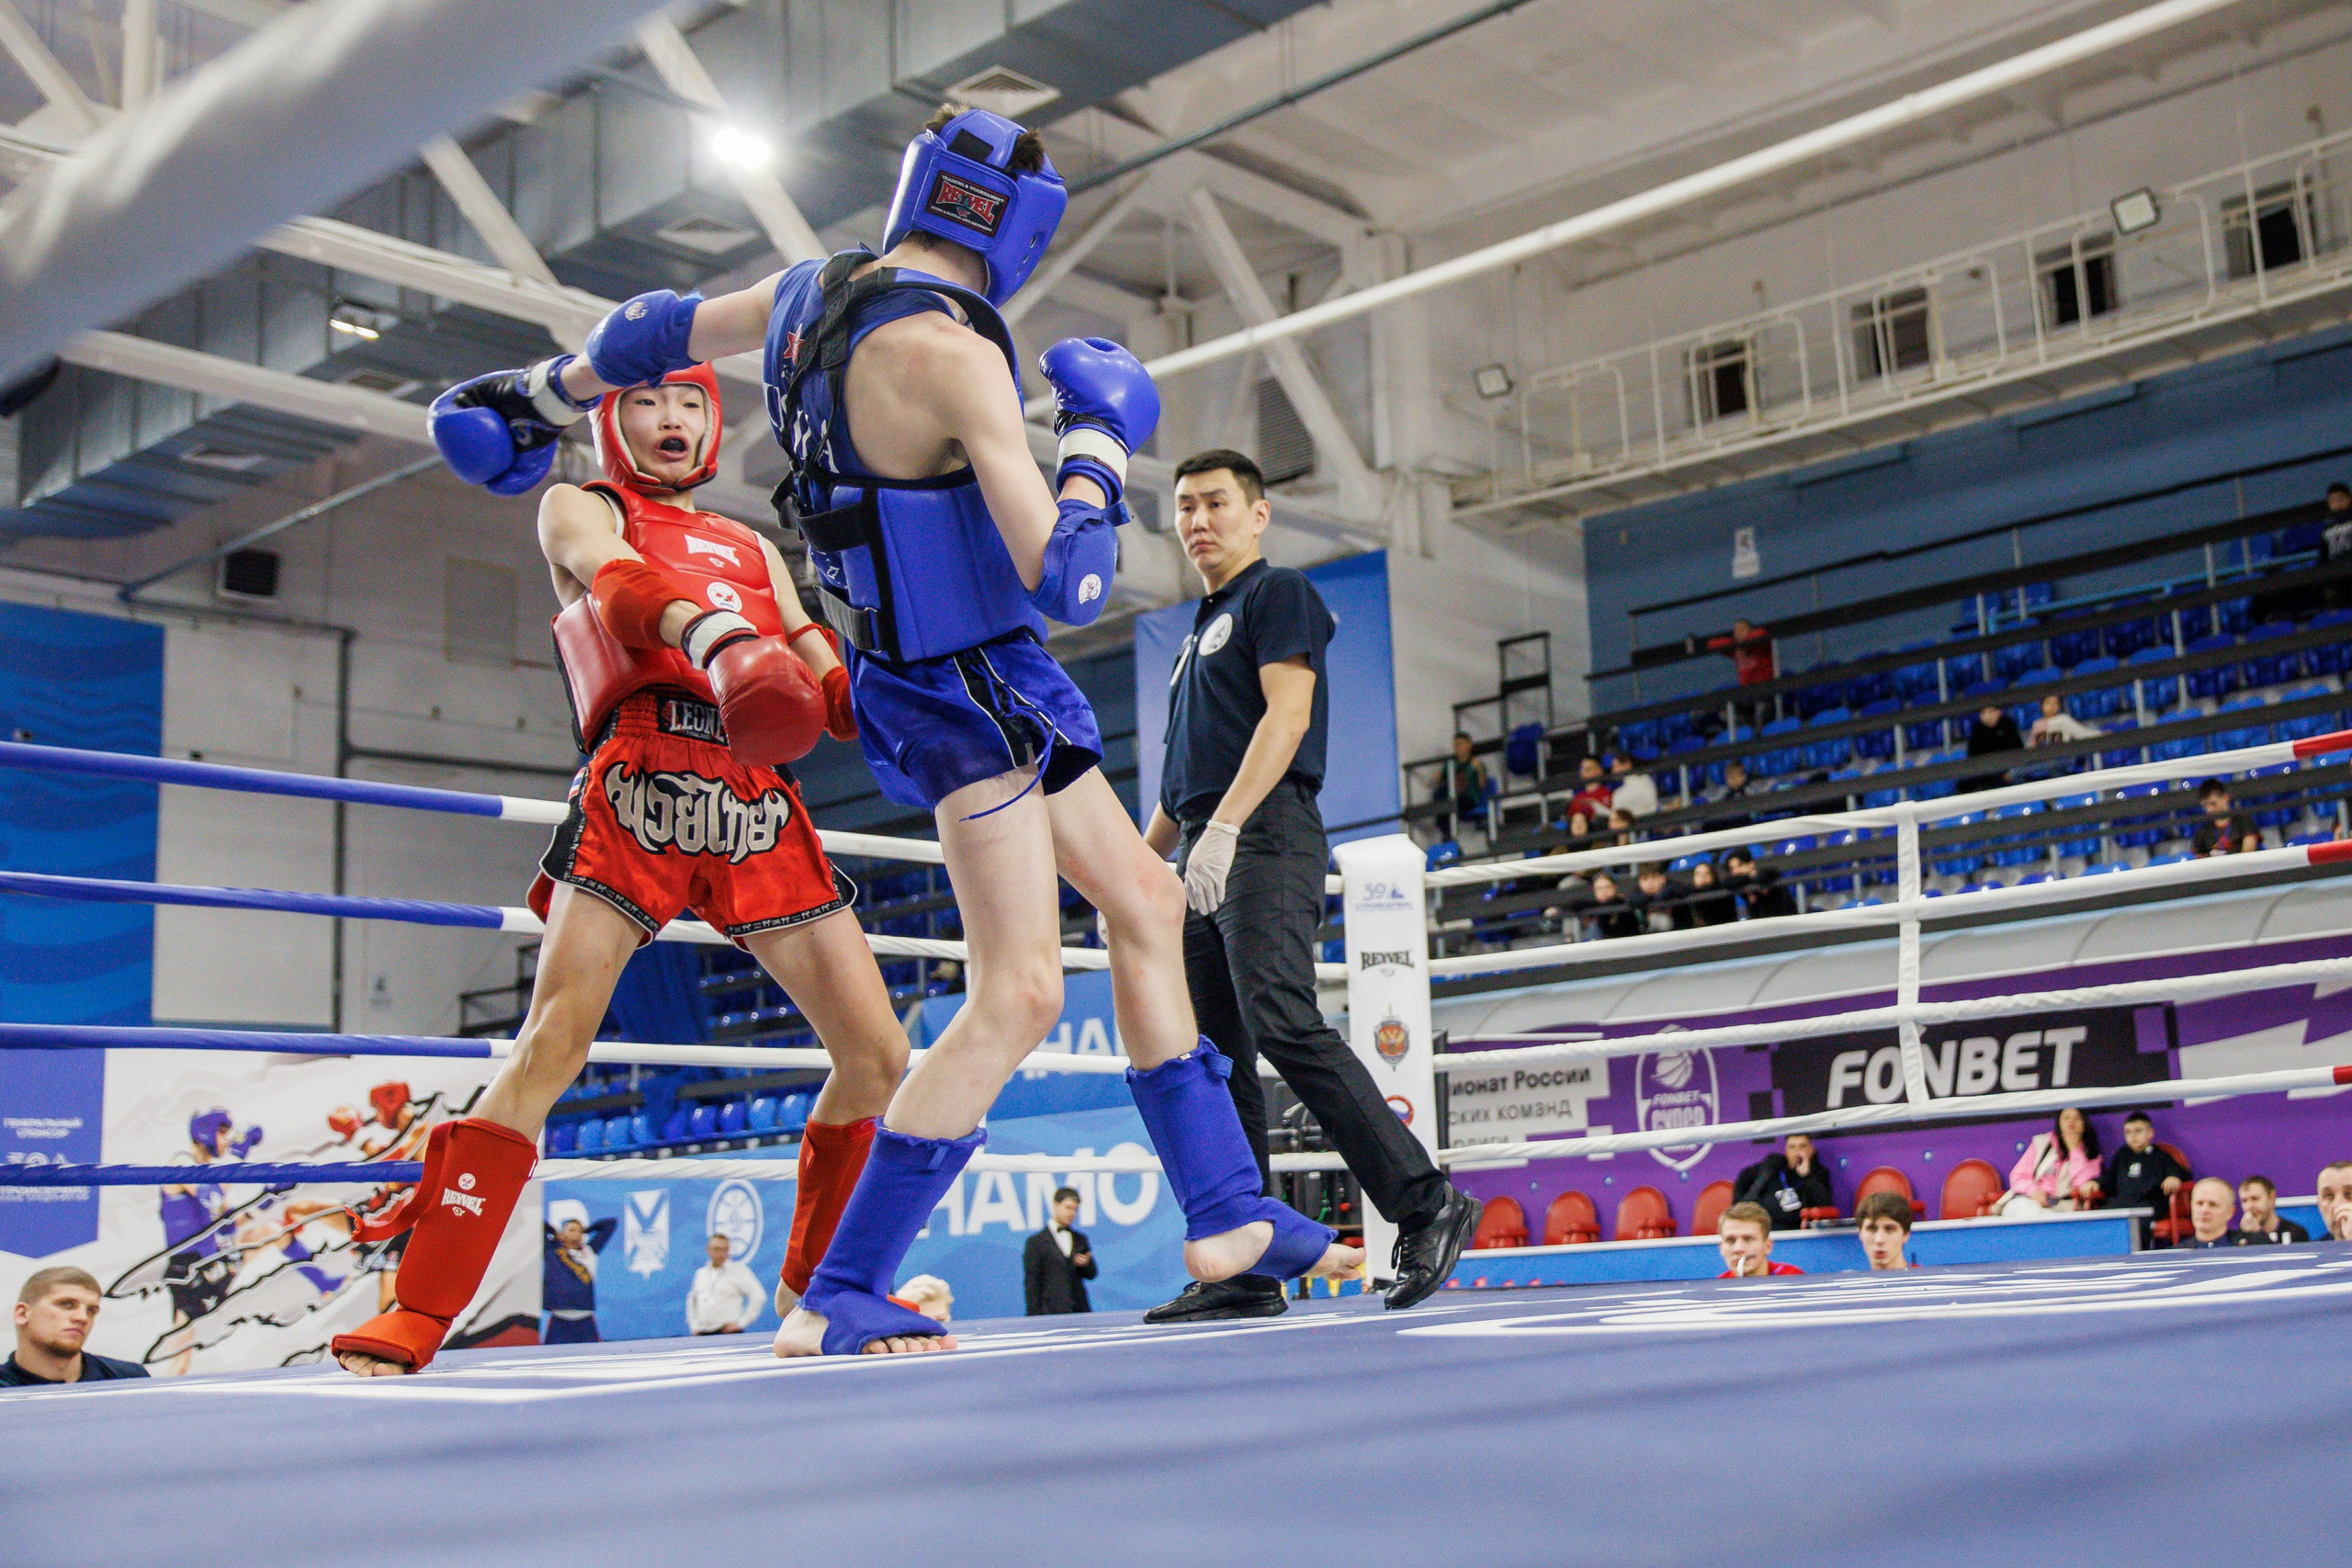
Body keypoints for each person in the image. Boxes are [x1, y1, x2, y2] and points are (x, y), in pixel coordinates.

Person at [432, 104, 1366, 1357]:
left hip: (949, 676)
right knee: (1021, 989)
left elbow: (650, 330)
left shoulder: (805, 294)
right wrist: (1094, 439)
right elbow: (1068, 576)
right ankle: (840, 1285)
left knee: (1144, 900)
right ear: (1019, 231)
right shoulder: (957, 356)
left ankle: (1227, 1218)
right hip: (966, 682)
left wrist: (543, 393)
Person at [339, 341, 916, 1378]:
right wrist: (715, 642)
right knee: (553, 1044)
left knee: (876, 1054)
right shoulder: (579, 506)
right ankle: (419, 1309)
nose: (669, 418)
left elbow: (812, 658)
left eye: (687, 402)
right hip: (639, 774)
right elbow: (613, 588)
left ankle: (817, 1291)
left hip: (750, 790)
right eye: (645, 399)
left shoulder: (749, 542)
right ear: (613, 418)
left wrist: (886, 700)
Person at [1138, 448, 1475, 1322]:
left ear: (1258, 514)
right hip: (1201, 849)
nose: (1197, 520)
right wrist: (1139, 878)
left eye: (1215, 503)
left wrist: (1224, 829)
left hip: (1264, 832)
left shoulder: (1274, 593)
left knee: (1280, 1017)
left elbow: (1286, 718)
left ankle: (1425, 1201)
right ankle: (1245, 1256)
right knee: (1213, 1060)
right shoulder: (1191, 638)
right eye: (1184, 507)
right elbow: (1181, 782)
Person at [155, 1105, 260, 1375]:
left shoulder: (208, 1174)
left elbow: (225, 1226)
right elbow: (211, 1196)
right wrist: (238, 1155)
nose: (227, 1140)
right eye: (223, 1133)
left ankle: (323, 1282)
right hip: (187, 1269)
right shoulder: (179, 1163)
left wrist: (266, 1201)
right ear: (206, 1132)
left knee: (270, 1231)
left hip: (213, 1261)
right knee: (180, 1362)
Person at [2, 1268, 148, 1386]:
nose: (82, 1318)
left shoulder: (129, 1380)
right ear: (22, 1314)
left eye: (91, 1311)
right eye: (66, 1305)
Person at [2099, 1111, 2188, 1247]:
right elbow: (2109, 1178)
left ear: (2150, 1133)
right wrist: (2094, 1183)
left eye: (2138, 1131)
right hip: (2123, 1204)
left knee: (2140, 1223)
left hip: (2148, 1206)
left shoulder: (2162, 1155)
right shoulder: (2122, 1155)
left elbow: (2178, 1171)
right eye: (2128, 1132)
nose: (2133, 1136)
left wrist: (2173, 1177)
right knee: (2100, 1219)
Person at [1999, 1107, 2100, 1217]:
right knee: (2023, 1208)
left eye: (2077, 1118)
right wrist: (2034, 1191)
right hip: (2029, 1201)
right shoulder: (2042, 1143)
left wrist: (2074, 1150)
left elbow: (2081, 1185)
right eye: (2066, 1118)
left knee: (2044, 1218)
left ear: (2084, 1123)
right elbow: (2018, 1176)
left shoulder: (2092, 1155)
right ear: (2059, 1122)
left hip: (2062, 1210)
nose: (2071, 1122)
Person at [541, 1200, 615, 1346]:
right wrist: (555, 1233)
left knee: (592, 1358)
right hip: (559, 1318)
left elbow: (611, 1223)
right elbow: (538, 1225)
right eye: (571, 1230)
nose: (576, 1233)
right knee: (552, 1358)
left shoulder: (590, 1250)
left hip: (585, 1318)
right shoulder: (552, 1251)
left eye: (579, 1231)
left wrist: (588, 1229)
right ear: (562, 1234)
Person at [1734, 1134, 1834, 1230]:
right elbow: (1743, 1183)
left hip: (1799, 1231)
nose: (1797, 1151)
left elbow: (1825, 1203)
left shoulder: (1819, 1173)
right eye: (1792, 1147)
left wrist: (1807, 1176)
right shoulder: (1772, 1167)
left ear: (1811, 1150)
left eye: (1802, 1146)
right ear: (1786, 1151)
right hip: (1766, 1228)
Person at [1023, 1188, 1097, 1316]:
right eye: (1068, 1207)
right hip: (1050, 1313)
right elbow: (1032, 1282)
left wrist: (1085, 1264)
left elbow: (1092, 1274)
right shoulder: (1036, 1242)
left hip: (1080, 1312)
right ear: (1055, 1205)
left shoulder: (1080, 1239)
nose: (1072, 1213)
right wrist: (1033, 1317)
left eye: (1075, 1209)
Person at [686, 1233, 765, 1335]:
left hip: (728, 1333)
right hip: (703, 1332)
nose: (721, 1253)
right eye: (717, 1249)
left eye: (725, 1250)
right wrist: (693, 1325)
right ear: (708, 1249)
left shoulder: (739, 1271)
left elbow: (759, 1296)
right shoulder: (701, 1274)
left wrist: (742, 1323)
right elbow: (692, 1300)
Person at [1715, 1202, 1804, 1278]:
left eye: (1748, 1239)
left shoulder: (1791, 1277)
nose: (1738, 1249)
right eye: (1731, 1240)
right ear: (1721, 1248)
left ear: (1767, 1246)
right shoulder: (1717, 1289)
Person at [1960, 704, 2023, 793]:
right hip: (1986, 769)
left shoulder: (2007, 724)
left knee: (2015, 775)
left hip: (2007, 766)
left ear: (1999, 712)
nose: (1988, 716)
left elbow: (2018, 749)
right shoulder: (1977, 729)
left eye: (1991, 712)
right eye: (1984, 713)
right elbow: (1972, 755)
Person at [2232, 1175, 2309, 1244]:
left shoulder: (2296, 1232)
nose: (2249, 1206)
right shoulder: (2238, 1238)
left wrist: (2257, 1234)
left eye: (2255, 1199)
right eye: (2244, 1201)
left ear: (2272, 1198)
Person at [2190, 780, 2260, 857]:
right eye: (2205, 806)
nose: (2209, 809)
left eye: (2213, 804)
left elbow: (2248, 854)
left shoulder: (2244, 822)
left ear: (2225, 797)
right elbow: (2198, 859)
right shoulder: (2203, 831)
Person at [1433, 732, 1489, 824]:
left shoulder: (1477, 764)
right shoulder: (1451, 765)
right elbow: (1439, 781)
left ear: (1469, 745)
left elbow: (1482, 786)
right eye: (1455, 745)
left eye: (1460, 745)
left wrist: (1479, 770)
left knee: (1451, 805)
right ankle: (1447, 833)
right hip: (1453, 797)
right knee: (1439, 796)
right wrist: (1437, 778)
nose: (1457, 748)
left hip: (1469, 798)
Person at [1721, 850, 1794, 918]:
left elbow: (1765, 876)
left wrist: (1751, 878)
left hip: (1783, 919)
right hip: (1760, 924)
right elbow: (1727, 883)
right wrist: (1749, 877)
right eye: (1732, 869)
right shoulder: (1740, 882)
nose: (1736, 871)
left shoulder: (1767, 874)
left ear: (1751, 864)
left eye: (1740, 865)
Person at [1854, 1191, 1914, 1270]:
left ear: (1905, 1235)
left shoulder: (1926, 1280)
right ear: (1860, 1233)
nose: (1879, 1240)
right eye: (1871, 1228)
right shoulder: (1851, 1281)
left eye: (1889, 1229)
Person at [1578, 872, 1641, 940]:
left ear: (1615, 887)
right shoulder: (1591, 907)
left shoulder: (1625, 903)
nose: (1604, 891)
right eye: (1599, 889)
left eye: (1607, 887)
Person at [2182, 1178, 2240, 1248]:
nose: (2204, 1210)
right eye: (2199, 1203)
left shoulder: (2252, 1247)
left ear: (2230, 1212)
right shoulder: (2174, 1255)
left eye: (2213, 1204)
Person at [2027, 693, 2101, 748]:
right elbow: (2031, 746)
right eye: (2048, 703)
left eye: (2055, 703)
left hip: (2063, 757)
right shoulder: (2037, 724)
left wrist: (2101, 735)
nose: (2052, 706)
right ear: (2041, 705)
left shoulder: (2064, 719)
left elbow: (2082, 733)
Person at [1565, 754, 1613, 837]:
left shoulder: (1606, 793)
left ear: (1599, 770)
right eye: (1582, 769)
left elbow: (1610, 816)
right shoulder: (1577, 796)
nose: (1584, 772)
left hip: (1598, 834)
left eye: (1589, 769)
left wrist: (1594, 804)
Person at [1703, 761, 1756, 833]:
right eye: (1730, 777)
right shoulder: (1723, 793)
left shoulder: (1750, 791)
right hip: (1728, 822)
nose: (1733, 780)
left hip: (1745, 822)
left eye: (1736, 777)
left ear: (1743, 776)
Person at [1684, 860, 1739, 926]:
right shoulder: (1687, 893)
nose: (1702, 876)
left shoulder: (1723, 889)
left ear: (1713, 876)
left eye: (1707, 873)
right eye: (1698, 874)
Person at [1606, 752, 1658, 818]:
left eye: (1615, 766)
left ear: (1627, 764)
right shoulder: (1644, 779)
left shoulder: (1643, 780)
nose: (1613, 771)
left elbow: (1651, 807)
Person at [2314, 1160, 2352, 1241]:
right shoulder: (2312, 1250)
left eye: (2349, 1194)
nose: (2338, 1204)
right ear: (2319, 1204)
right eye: (2329, 1195)